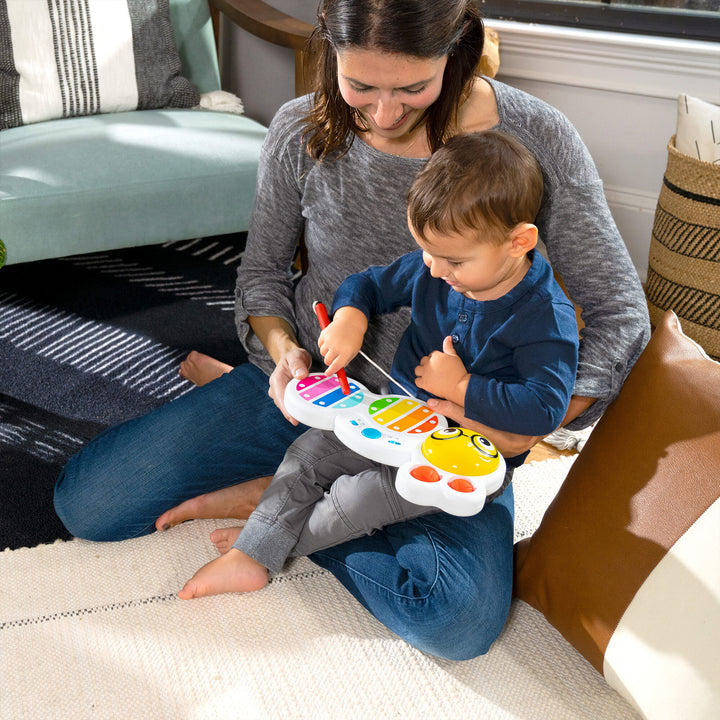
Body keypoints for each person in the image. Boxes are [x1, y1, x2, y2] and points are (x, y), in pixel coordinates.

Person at [54, 0, 650, 661]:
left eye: (412, 87)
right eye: (360, 85)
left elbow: (620, 314)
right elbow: (261, 281)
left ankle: (287, 507)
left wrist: (522, 422)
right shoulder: (298, 131)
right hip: (313, 396)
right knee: (91, 504)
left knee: (456, 620)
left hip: (449, 433)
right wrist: (287, 356)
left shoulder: (534, 138)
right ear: (329, 49)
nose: (385, 113)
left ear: (455, 47)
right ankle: (303, 487)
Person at [176, 130, 579, 600]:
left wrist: (464, 386)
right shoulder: (436, 267)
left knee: (361, 498)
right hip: (396, 417)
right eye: (426, 252)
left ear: (518, 242)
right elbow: (368, 284)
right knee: (307, 454)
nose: (433, 270)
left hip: (461, 459)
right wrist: (350, 316)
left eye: (452, 261)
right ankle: (258, 546)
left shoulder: (546, 316)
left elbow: (544, 409)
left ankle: (260, 547)